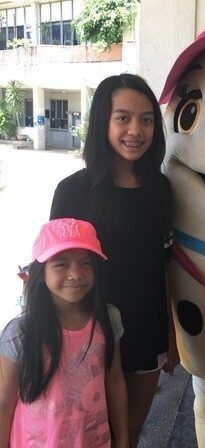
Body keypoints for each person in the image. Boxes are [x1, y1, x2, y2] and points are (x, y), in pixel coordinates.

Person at [49, 73, 179, 447]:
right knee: (86, 435)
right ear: (103, 121)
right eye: (122, 118)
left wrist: (170, 337)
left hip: (146, 332)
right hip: (86, 336)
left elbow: (163, 265)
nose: (135, 130)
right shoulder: (73, 191)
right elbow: (52, 271)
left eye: (146, 119)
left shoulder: (161, 190)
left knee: (129, 436)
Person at [0, 218, 128, 448]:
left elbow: (115, 381)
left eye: (86, 263)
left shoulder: (109, 319)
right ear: (40, 272)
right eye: (61, 264)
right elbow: (3, 402)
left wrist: (124, 438)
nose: (76, 274)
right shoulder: (20, 332)